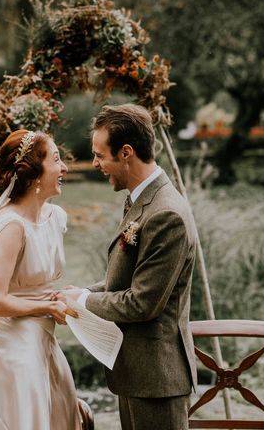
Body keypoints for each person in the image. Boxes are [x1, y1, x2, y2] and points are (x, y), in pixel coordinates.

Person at [57, 104, 198, 430]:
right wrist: (80, 292)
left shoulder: (167, 214)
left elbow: (142, 302)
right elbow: (124, 279)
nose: (95, 164)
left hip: (158, 381)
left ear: (126, 153)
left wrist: (82, 301)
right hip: (137, 373)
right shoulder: (141, 200)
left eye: (99, 155)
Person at [0, 129, 82, 430]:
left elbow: (37, 285)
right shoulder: (11, 225)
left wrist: (57, 298)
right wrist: (46, 308)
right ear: (34, 174)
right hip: (12, 347)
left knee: (63, 406)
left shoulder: (55, 218)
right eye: (56, 160)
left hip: (43, 337)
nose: (64, 167)